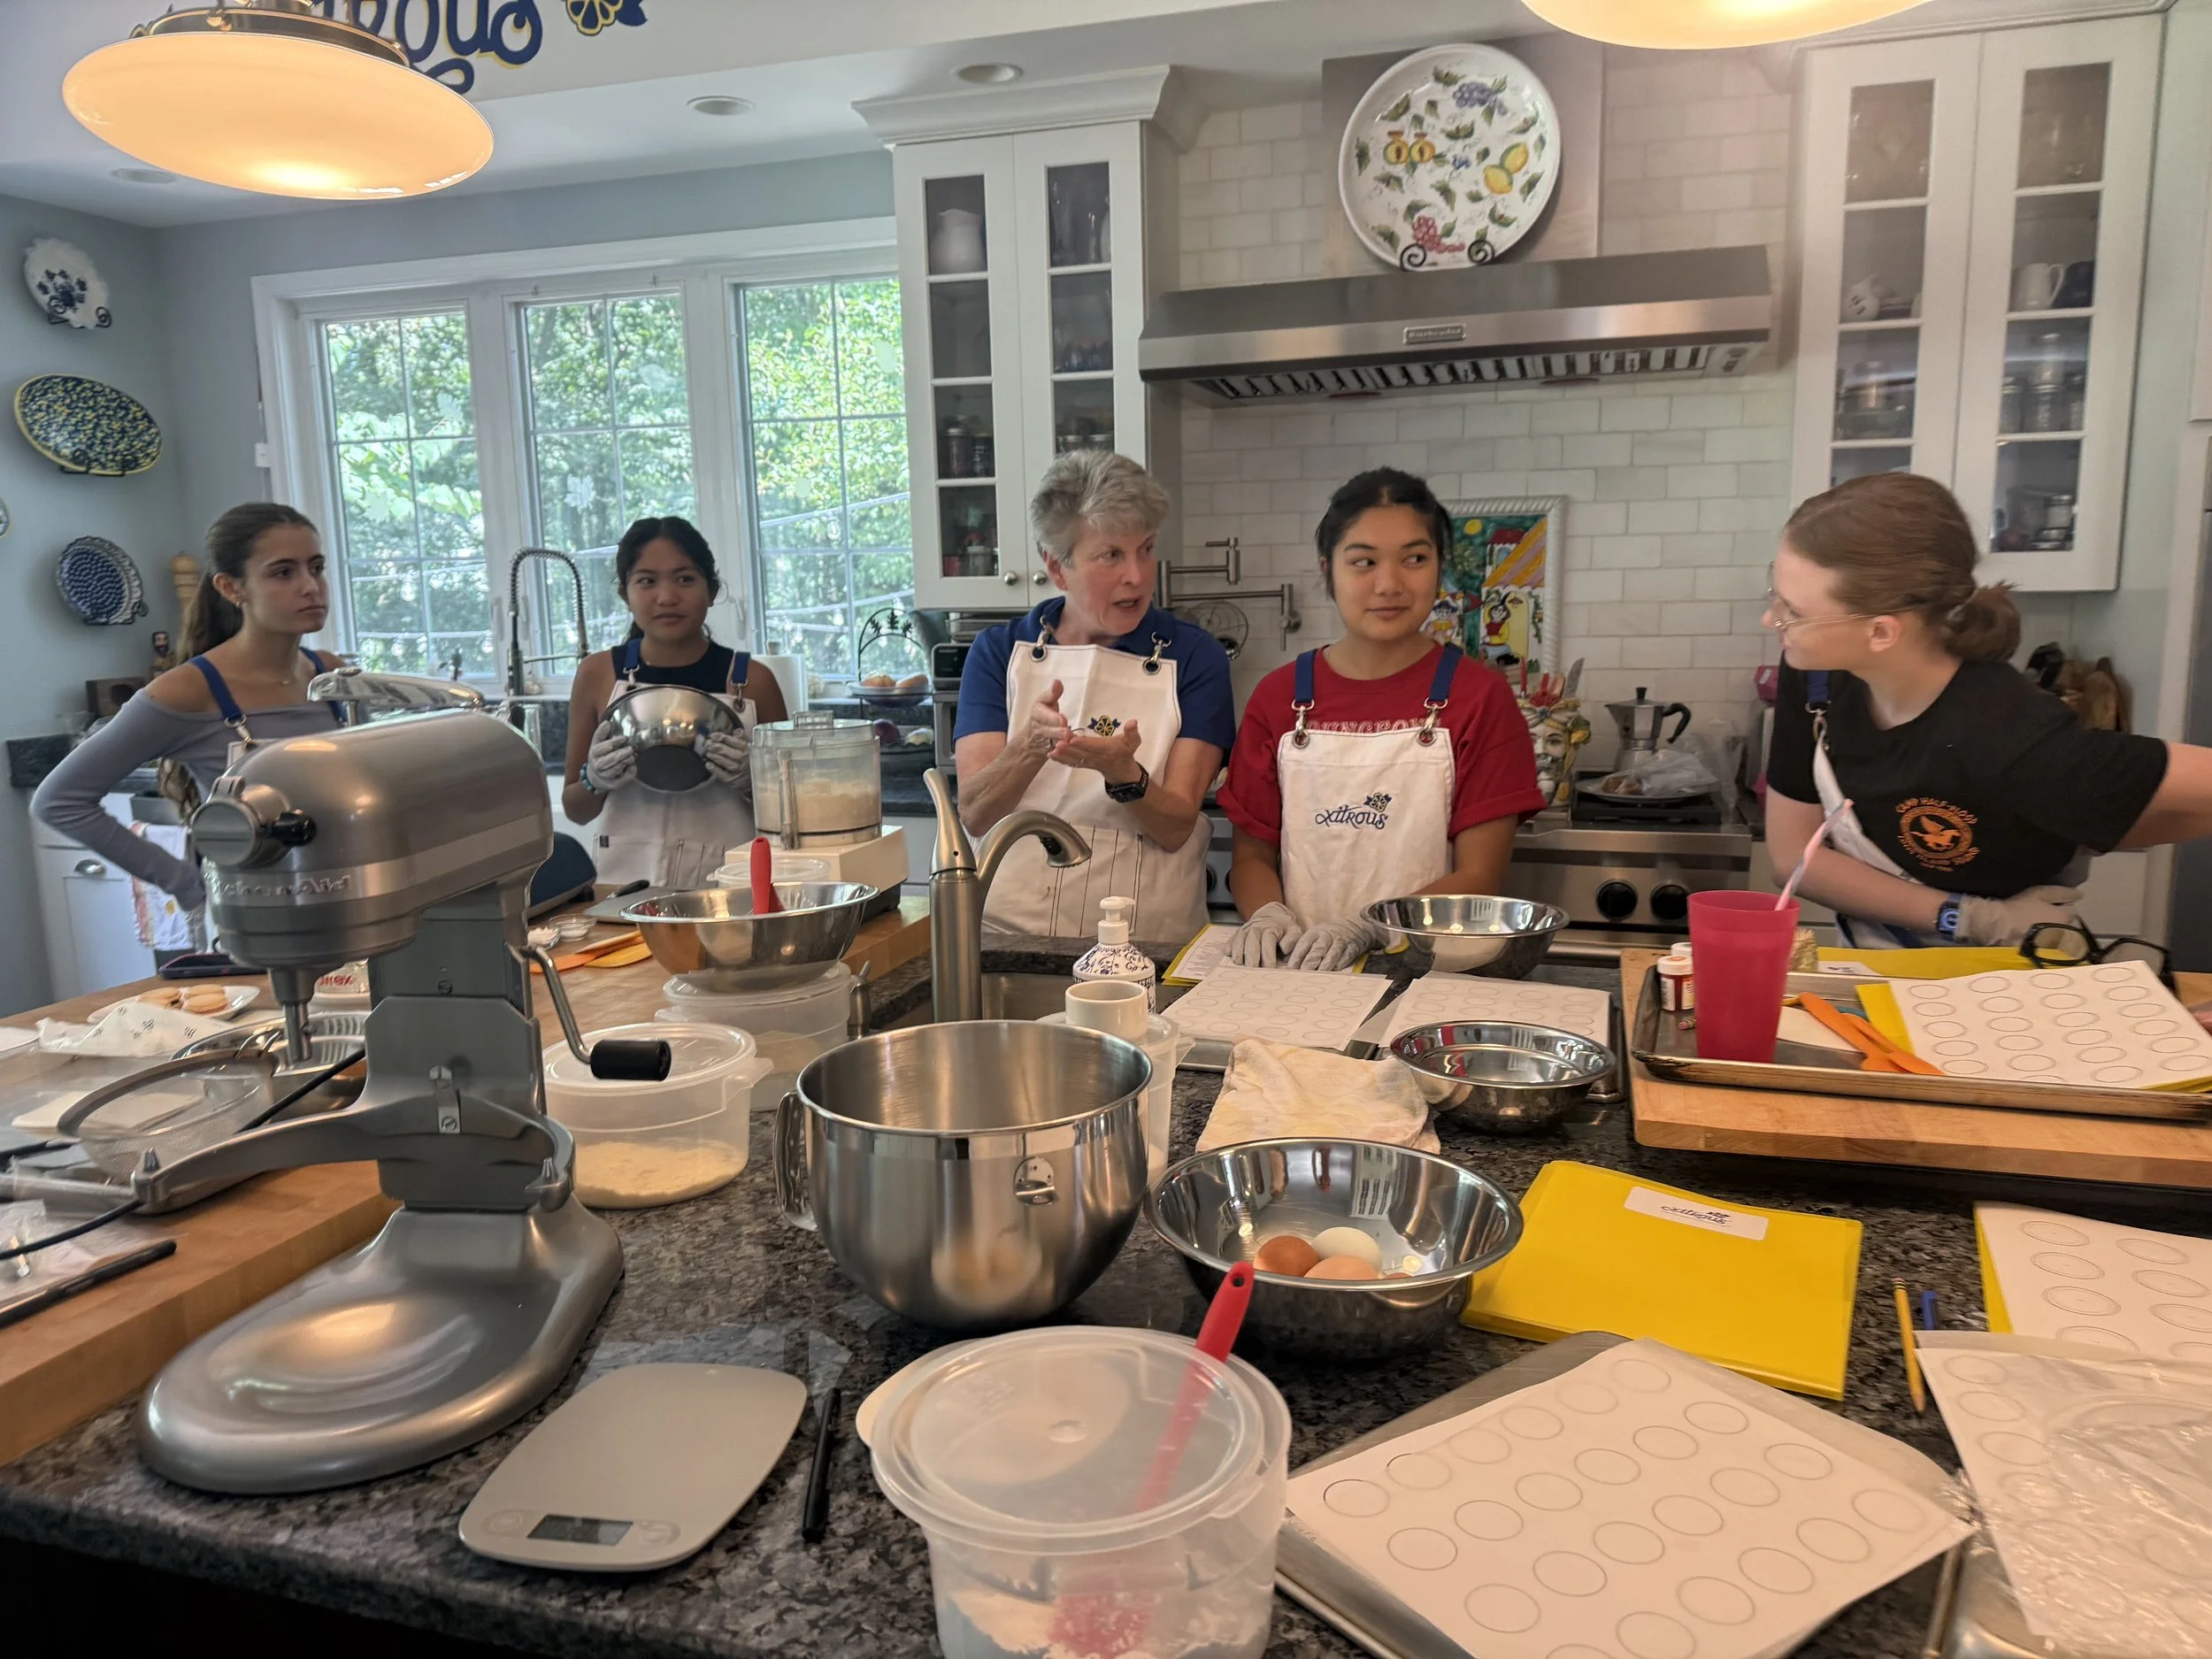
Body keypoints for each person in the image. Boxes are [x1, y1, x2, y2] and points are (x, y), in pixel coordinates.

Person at [1763, 472, 2212, 947]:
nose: (1771, 620)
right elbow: (1794, 855)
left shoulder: (2012, 736)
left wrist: (2106, 824)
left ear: (1882, 632)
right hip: (1879, 963)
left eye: (1795, 611)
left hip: (2006, 980)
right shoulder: (1816, 676)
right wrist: (1965, 915)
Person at [1219, 468, 1548, 971]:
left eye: (1414, 559)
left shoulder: (1481, 698)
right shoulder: (1278, 697)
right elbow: (1251, 857)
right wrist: (1265, 914)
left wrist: (1372, 928)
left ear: (1441, 566)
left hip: (1431, 974)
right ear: (1328, 568)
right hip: (1298, 981)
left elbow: (1480, 877)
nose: (1389, 584)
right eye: (1364, 562)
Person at [954, 450, 1235, 941]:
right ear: (1057, 568)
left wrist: (1124, 774)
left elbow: (1175, 827)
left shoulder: (1195, 657)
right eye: (1111, 555)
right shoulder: (998, 653)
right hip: (1009, 938)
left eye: (1145, 549)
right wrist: (1029, 746)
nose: (1138, 576)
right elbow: (976, 813)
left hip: (1148, 942)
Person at [34, 503, 345, 911]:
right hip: (258, 921)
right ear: (232, 588)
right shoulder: (190, 690)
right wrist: (188, 884)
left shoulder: (331, 674)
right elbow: (59, 801)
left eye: (316, 567)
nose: (310, 587)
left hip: (346, 901)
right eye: (284, 572)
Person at [563, 516, 787, 889]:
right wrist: (594, 779)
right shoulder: (597, 674)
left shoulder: (754, 682)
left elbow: (790, 815)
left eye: (685, 579)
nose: (666, 597)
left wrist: (752, 783)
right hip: (624, 888)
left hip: (733, 887)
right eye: (647, 581)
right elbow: (575, 810)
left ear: (712, 590)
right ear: (625, 593)